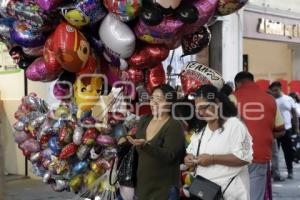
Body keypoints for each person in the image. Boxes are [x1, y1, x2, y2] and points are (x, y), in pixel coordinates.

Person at [184, 84, 253, 200]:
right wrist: (189, 159)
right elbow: (190, 153)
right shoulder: (201, 130)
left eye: (204, 107)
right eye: (197, 109)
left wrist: (212, 159)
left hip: (231, 193)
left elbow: (245, 157)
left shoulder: (234, 125)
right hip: (204, 192)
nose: (200, 113)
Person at [127, 84, 186, 200]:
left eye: (159, 99)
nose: (154, 103)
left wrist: (146, 146)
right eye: (152, 98)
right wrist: (127, 140)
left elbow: (170, 156)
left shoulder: (174, 125)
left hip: (164, 190)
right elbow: (139, 147)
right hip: (143, 187)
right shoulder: (145, 119)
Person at [232, 72, 284, 200]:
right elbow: (281, 129)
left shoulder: (231, 98)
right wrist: (265, 134)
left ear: (237, 84)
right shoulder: (270, 99)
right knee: (256, 196)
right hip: (260, 155)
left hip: (234, 156)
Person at [269, 81, 299, 179]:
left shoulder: (288, 99)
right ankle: (275, 172)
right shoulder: (271, 100)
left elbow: (294, 113)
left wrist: (297, 127)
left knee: (288, 151)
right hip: (274, 130)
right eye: (272, 91)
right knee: (274, 153)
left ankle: (290, 171)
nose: (274, 92)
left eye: (276, 90)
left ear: (280, 89)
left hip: (287, 129)